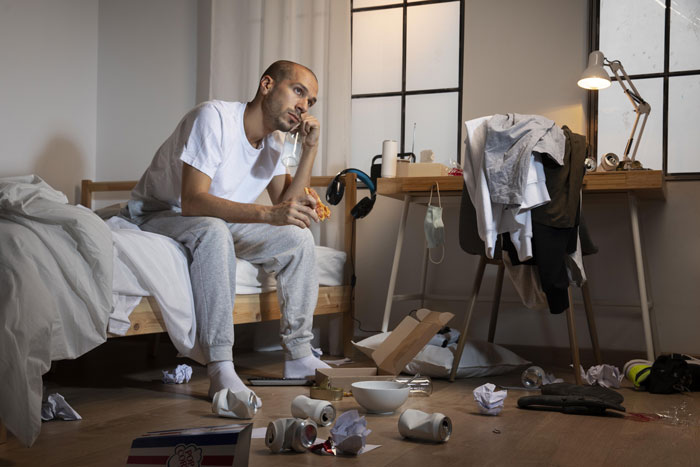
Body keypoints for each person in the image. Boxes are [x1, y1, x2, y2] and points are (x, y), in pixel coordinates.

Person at [123, 60, 330, 403]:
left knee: (298, 238)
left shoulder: (276, 143)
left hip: (215, 218)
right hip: (160, 212)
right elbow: (191, 201)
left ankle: (299, 355)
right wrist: (267, 213)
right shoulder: (214, 118)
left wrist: (310, 150)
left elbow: (287, 204)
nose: (303, 106)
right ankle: (220, 366)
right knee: (214, 231)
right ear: (267, 85)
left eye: (310, 102)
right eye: (298, 91)